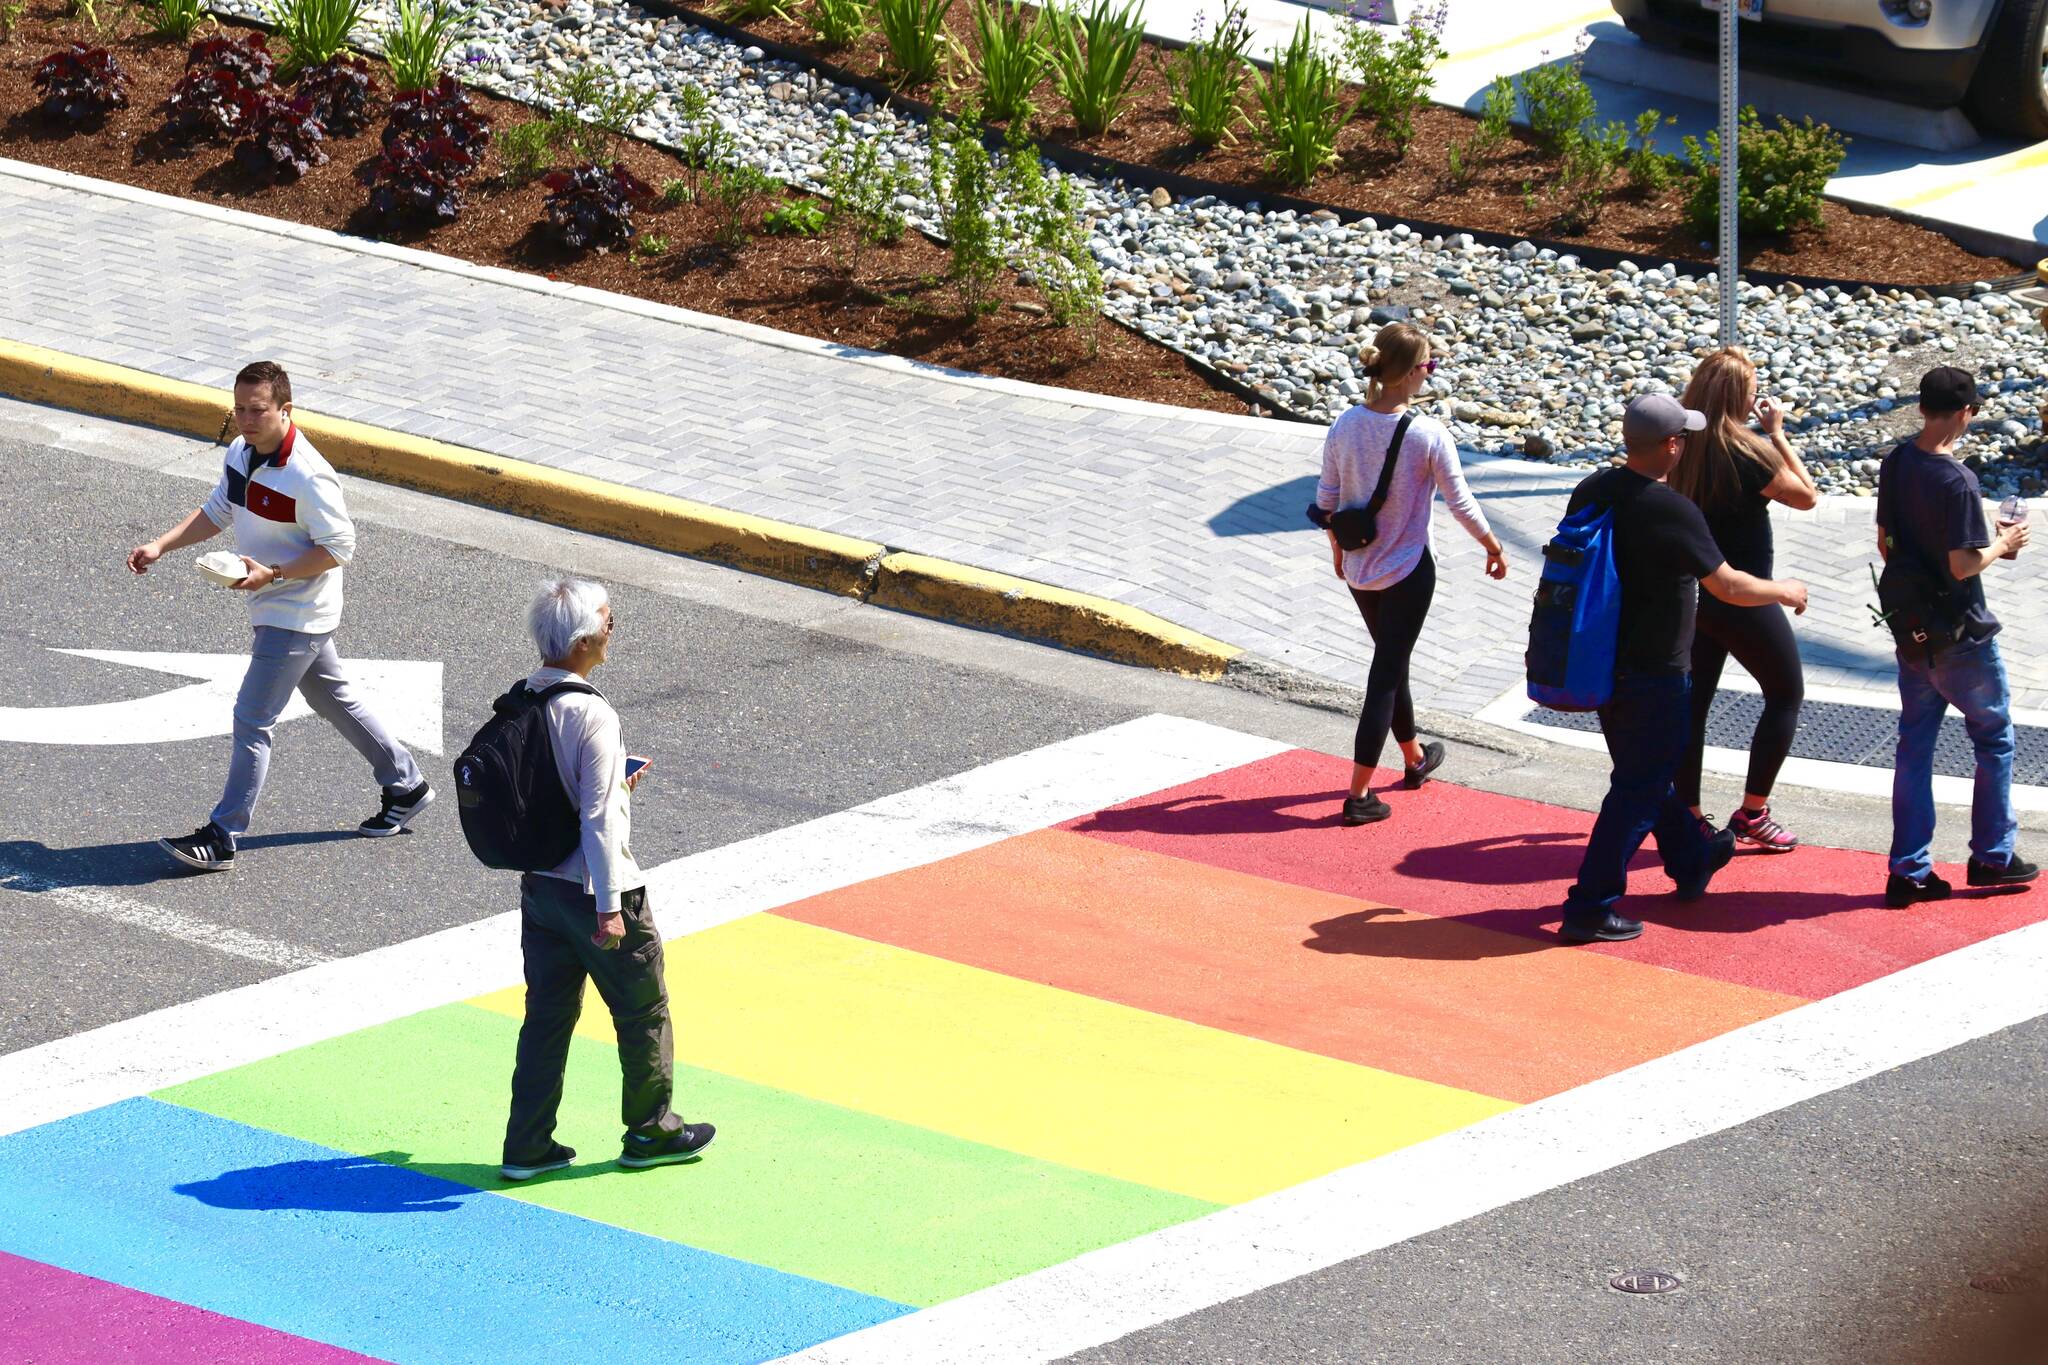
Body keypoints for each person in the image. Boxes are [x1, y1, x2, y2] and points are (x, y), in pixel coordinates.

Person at [127, 361, 433, 872]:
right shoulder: (241, 451)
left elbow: (340, 548)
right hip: (277, 599)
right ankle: (406, 785)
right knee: (331, 694)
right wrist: (161, 545)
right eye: (240, 408)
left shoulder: (308, 475)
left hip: (296, 611)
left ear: (285, 410)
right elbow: (220, 508)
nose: (246, 419)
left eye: (258, 410)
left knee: (252, 718)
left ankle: (223, 834)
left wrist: (273, 573)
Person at [1557, 394, 1810, 944]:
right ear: (1671, 445)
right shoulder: (1668, 508)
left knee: (1647, 772)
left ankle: (1694, 857)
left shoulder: (1593, 488)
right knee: (1638, 789)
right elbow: (1729, 585)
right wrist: (1785, 590)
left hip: (1599, 662)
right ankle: (1588, 906)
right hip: (1656, 671)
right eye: (1683, 438)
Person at [500, 578, 714, 1181]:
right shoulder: (591, 712)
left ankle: (527, 1145)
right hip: (594, 889)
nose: (612, 630)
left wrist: (614, 785)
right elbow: (597, 819)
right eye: (608, 622)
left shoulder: (523, 698)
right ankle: (651, 1129)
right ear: (583, 639)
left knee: (546, 1017)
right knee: (643, 1011)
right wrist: (610, 906)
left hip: (539, 888)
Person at [1316, 322, 1508, 826]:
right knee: (1384, 673)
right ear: (1407, 374)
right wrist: (1492, 545)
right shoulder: (1427, 433)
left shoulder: (1345, 425)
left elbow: (1326, 503)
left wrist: (1338, 551)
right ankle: (1359, 796)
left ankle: (1416, 759)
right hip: (1407, 571)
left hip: (1361, 569)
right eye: (1429, 366)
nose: (1431, 374)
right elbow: (1460, 502)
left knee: (1390, 658)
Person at [1876, 367, 2038, 908]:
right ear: (1967, 412)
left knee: (1914, 747)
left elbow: (1886, 545)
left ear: (1922, 408)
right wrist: (2003, 542)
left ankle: (1909, 869)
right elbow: (1964, 564)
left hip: (1912, 632)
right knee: (1993, 739)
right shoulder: (1958, 480)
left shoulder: (1897, 461)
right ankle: (1993, 857)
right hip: (1963, 637)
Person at [1670, 348, 1820, 852]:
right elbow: (1806, 495)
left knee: (1693, 708)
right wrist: (1777, 432)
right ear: (1740, 398)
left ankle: (1688, 814)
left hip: (1696, 597)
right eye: (1753, 390)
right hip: (1745, 595)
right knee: (1785, 694)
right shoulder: (1749, 451)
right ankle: (1753, 812)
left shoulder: (1680, 444)